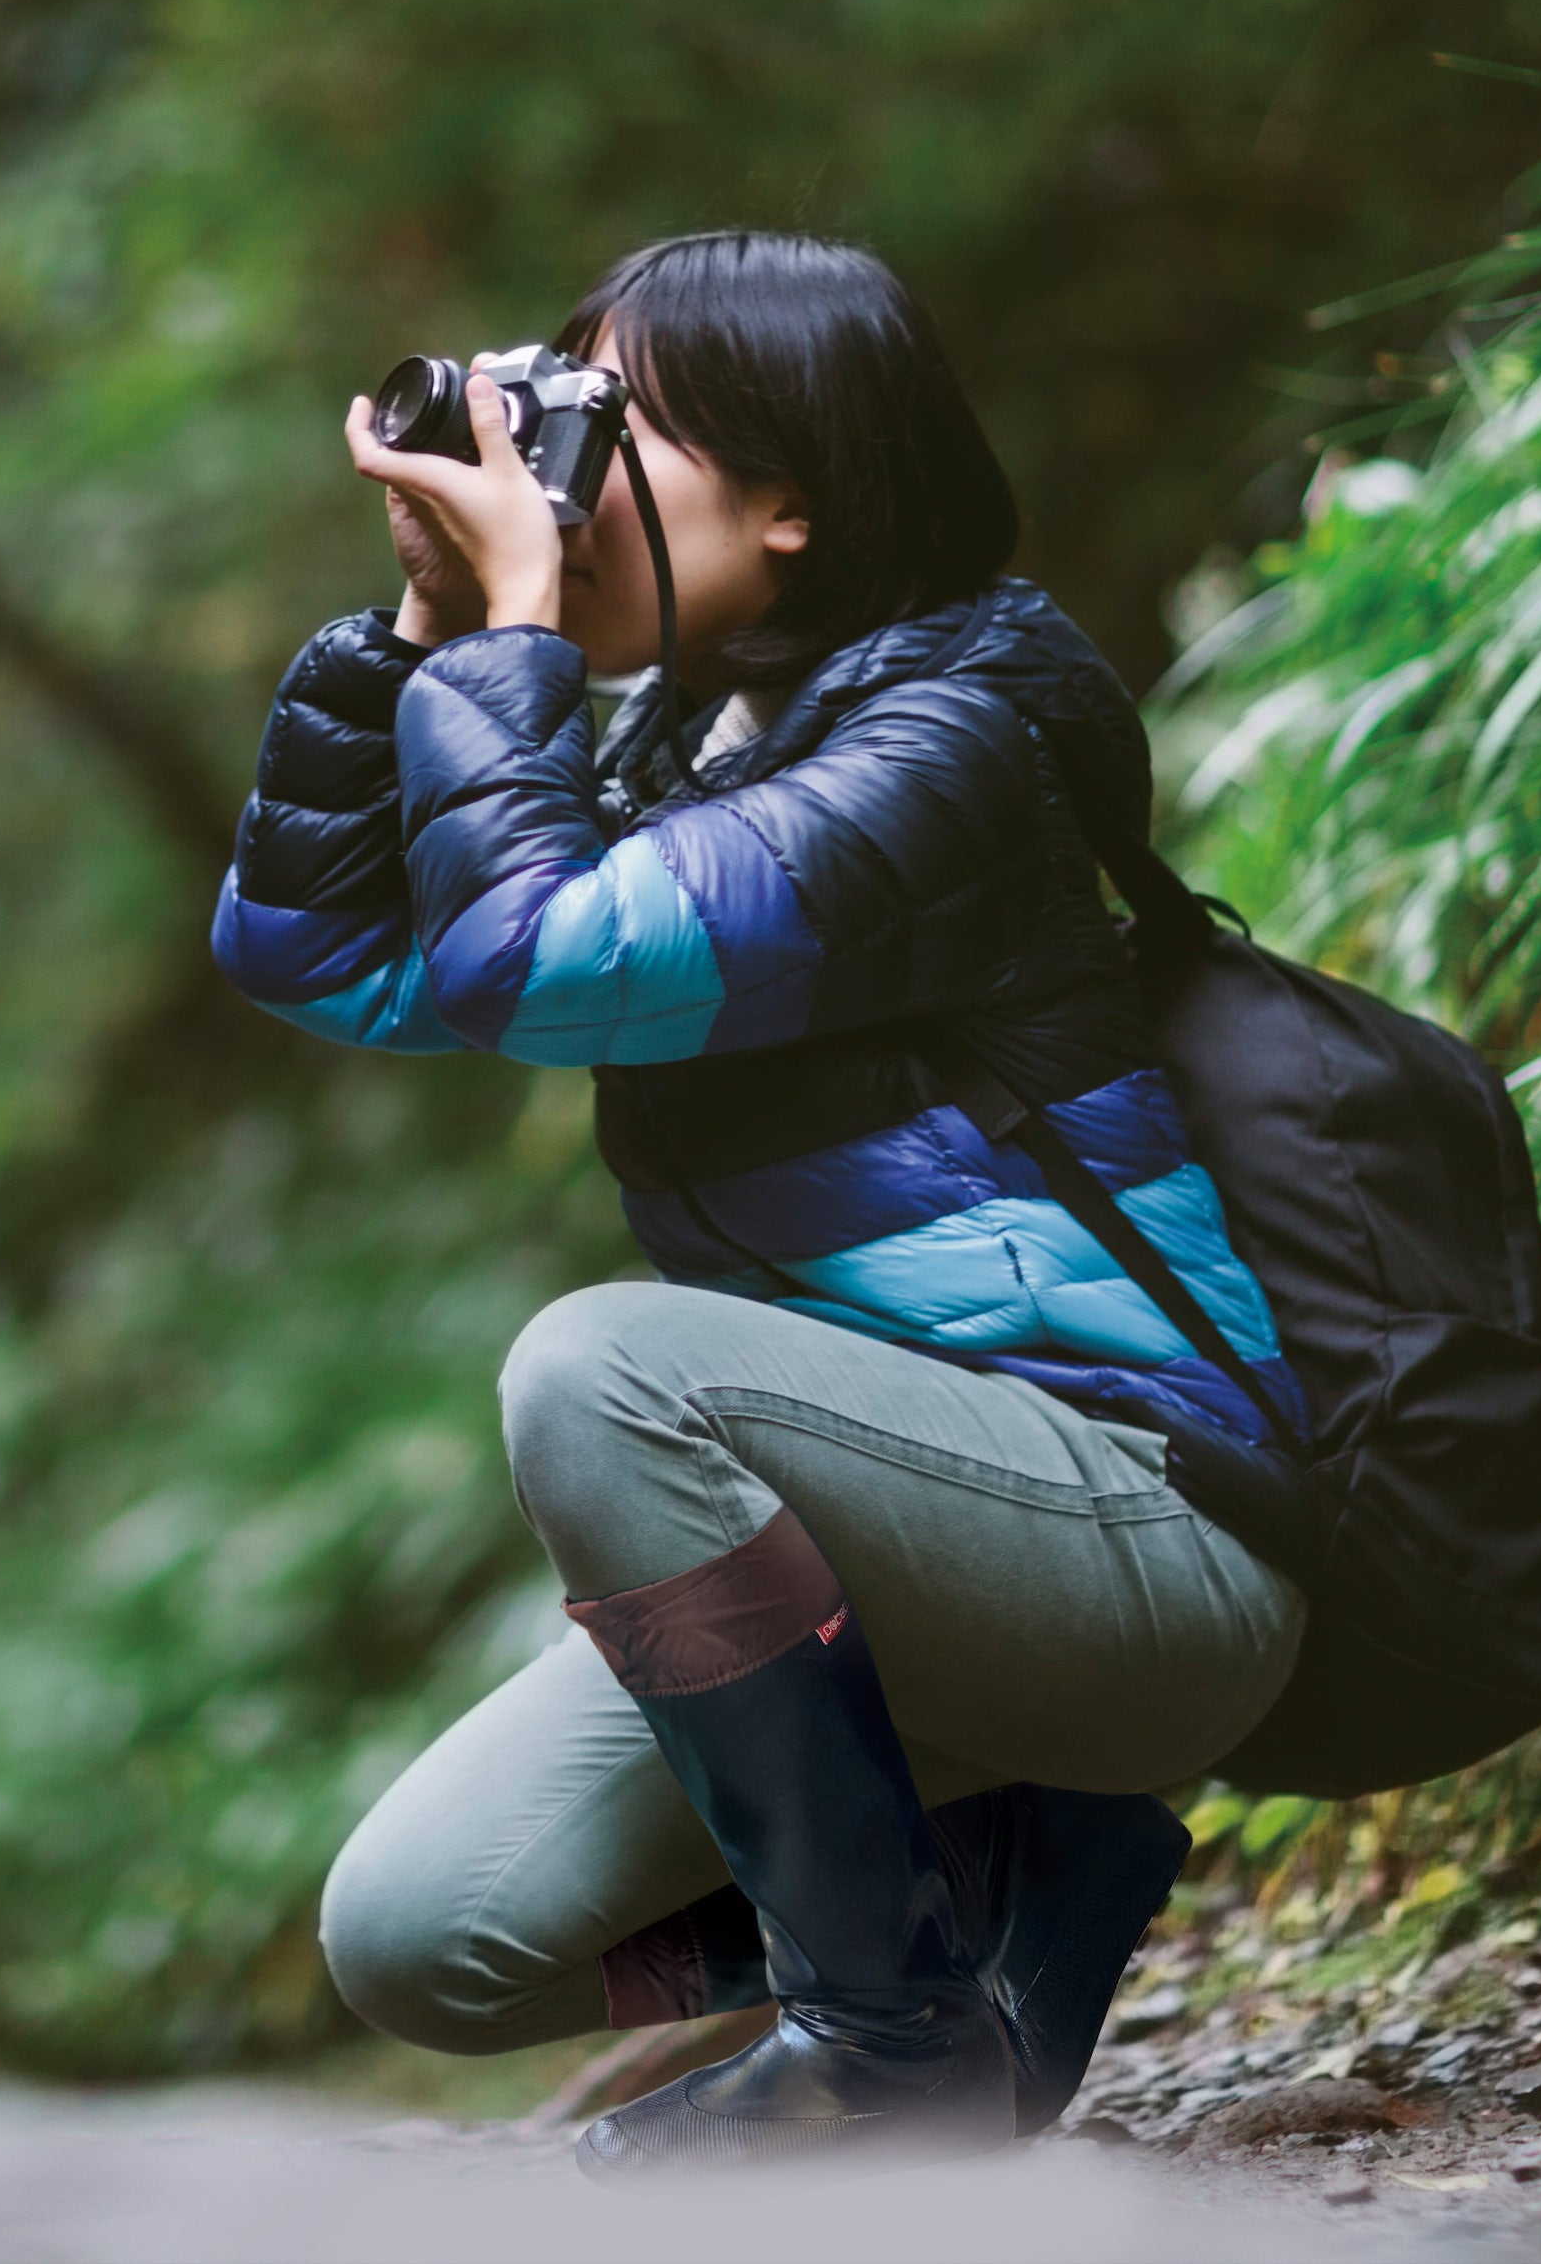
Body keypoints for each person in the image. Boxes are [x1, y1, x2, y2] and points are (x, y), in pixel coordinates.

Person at [206, 231, 1306, 2174]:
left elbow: (537, 960)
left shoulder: (948, 742)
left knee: (601, 1372)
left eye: (609, 427)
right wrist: (419, 636)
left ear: (793, 501)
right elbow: (324, 961)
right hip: (880, 1575)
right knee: (423, 1936)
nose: (560, 476)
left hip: (1137, 1533)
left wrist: (506, 652)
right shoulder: (680, 751)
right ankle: (995, 1895)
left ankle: (880, 2054)